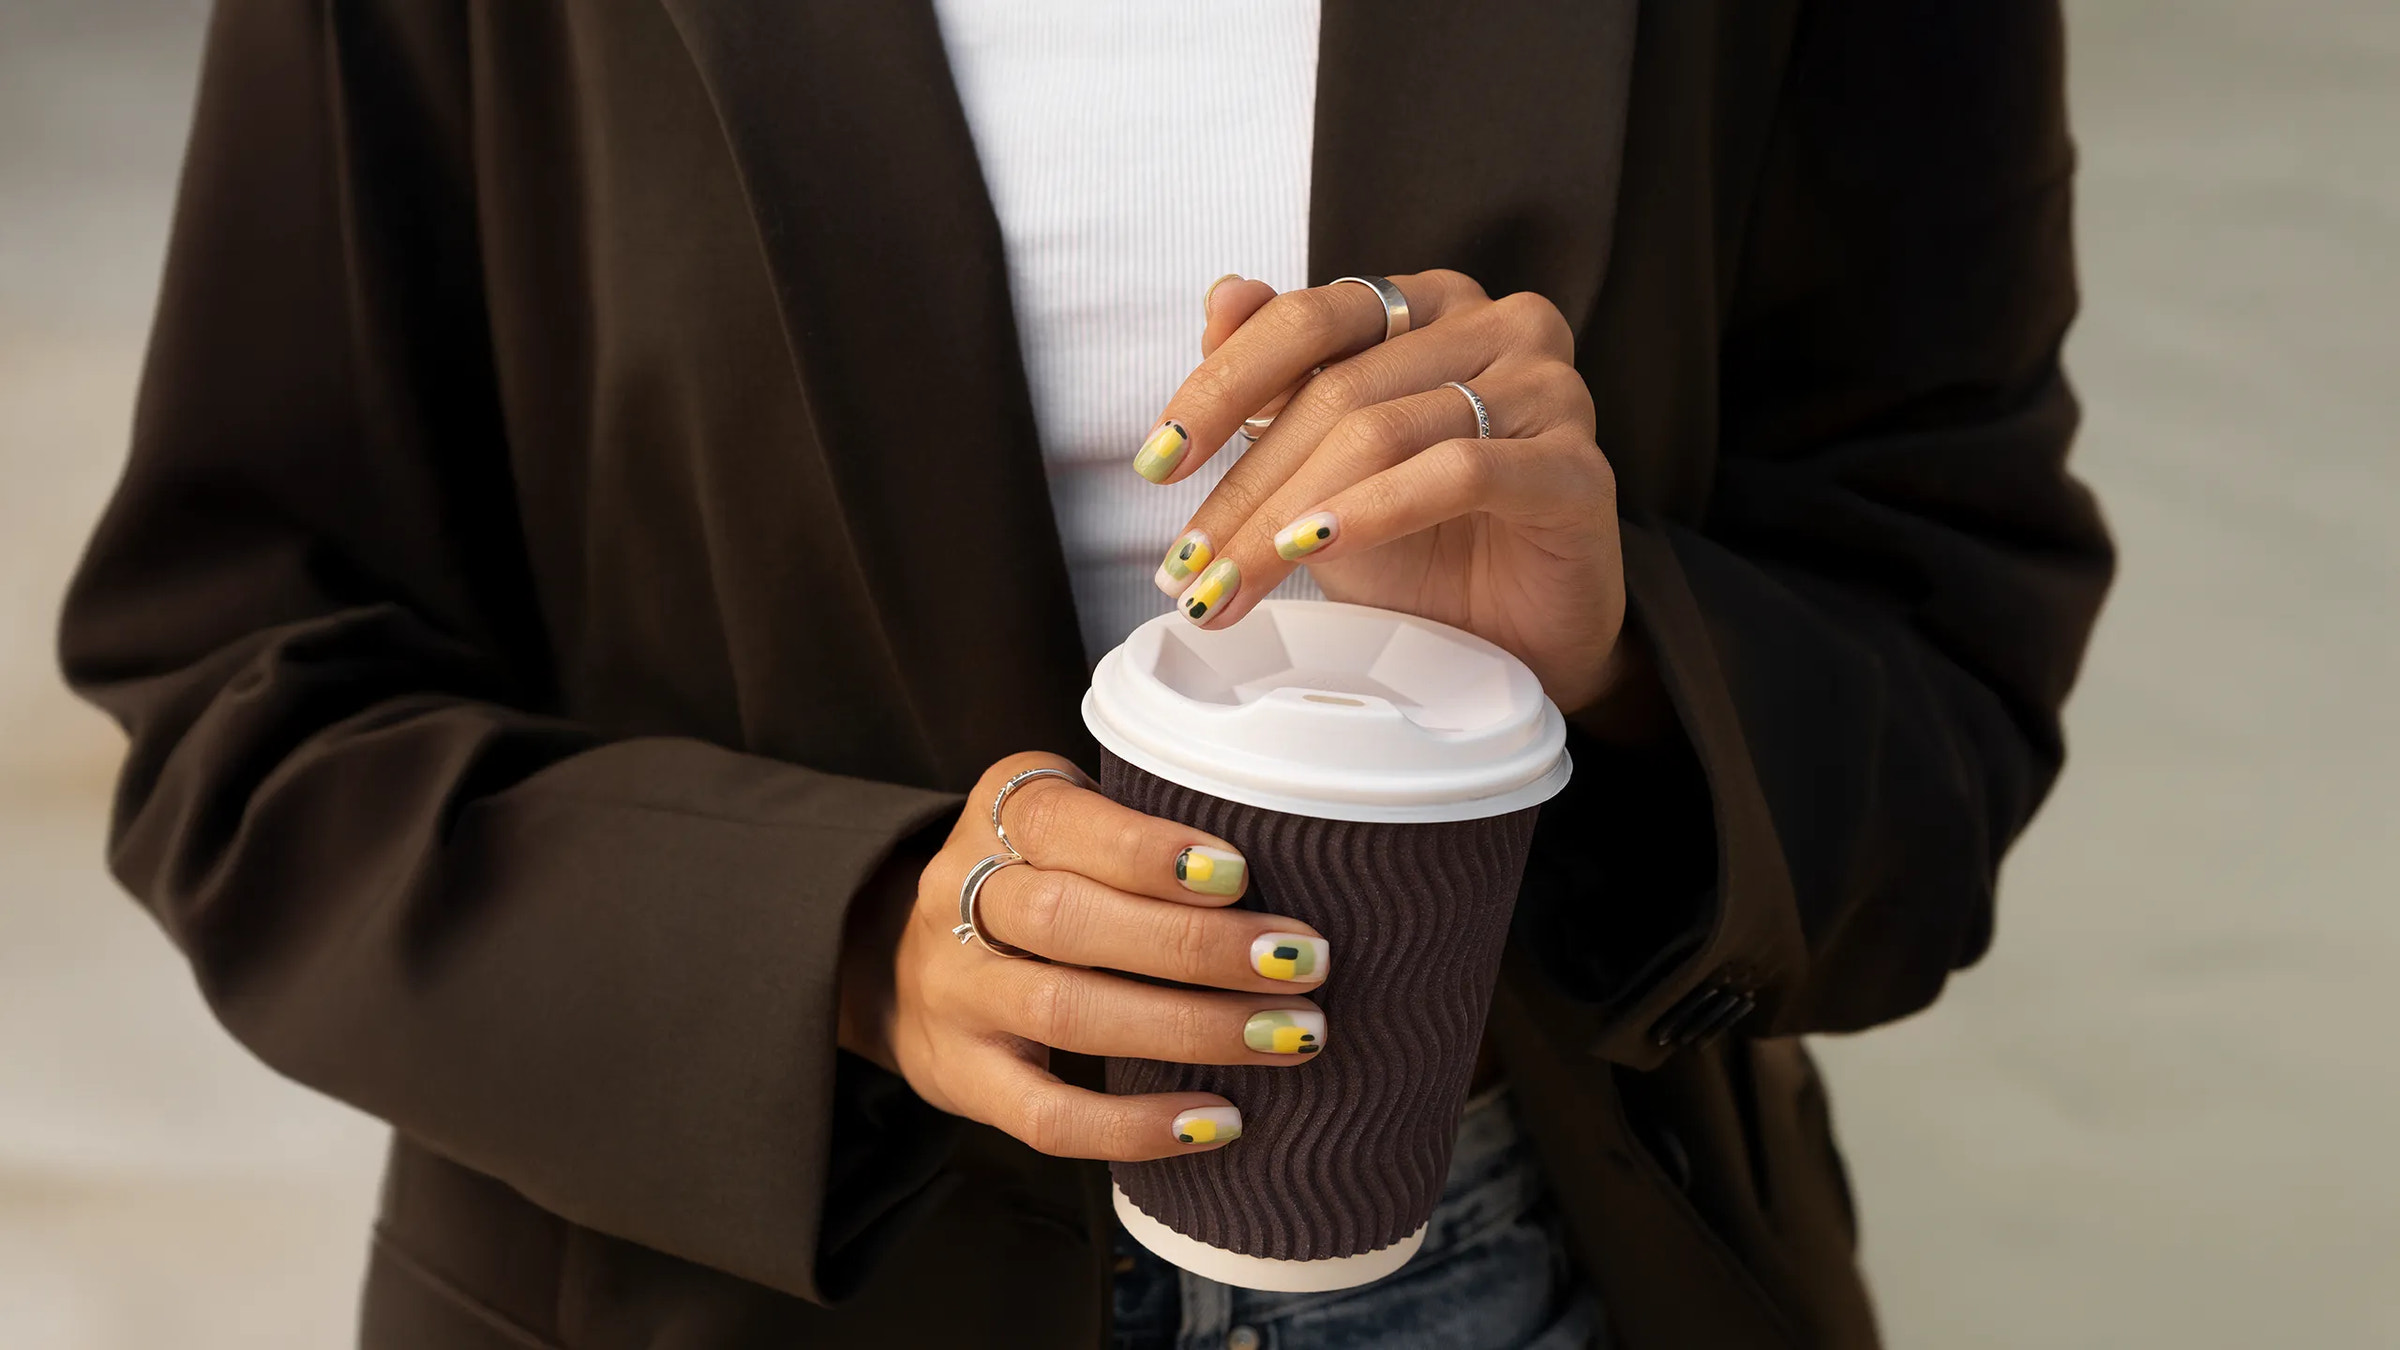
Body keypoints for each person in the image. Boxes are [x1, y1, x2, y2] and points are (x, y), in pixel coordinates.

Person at [58, 2, 2112, 1347]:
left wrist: (1622, 658)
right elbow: (251, 699)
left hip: (1534, 1265)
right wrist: (841, 941)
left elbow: (1944, 665)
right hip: (713, 1291)